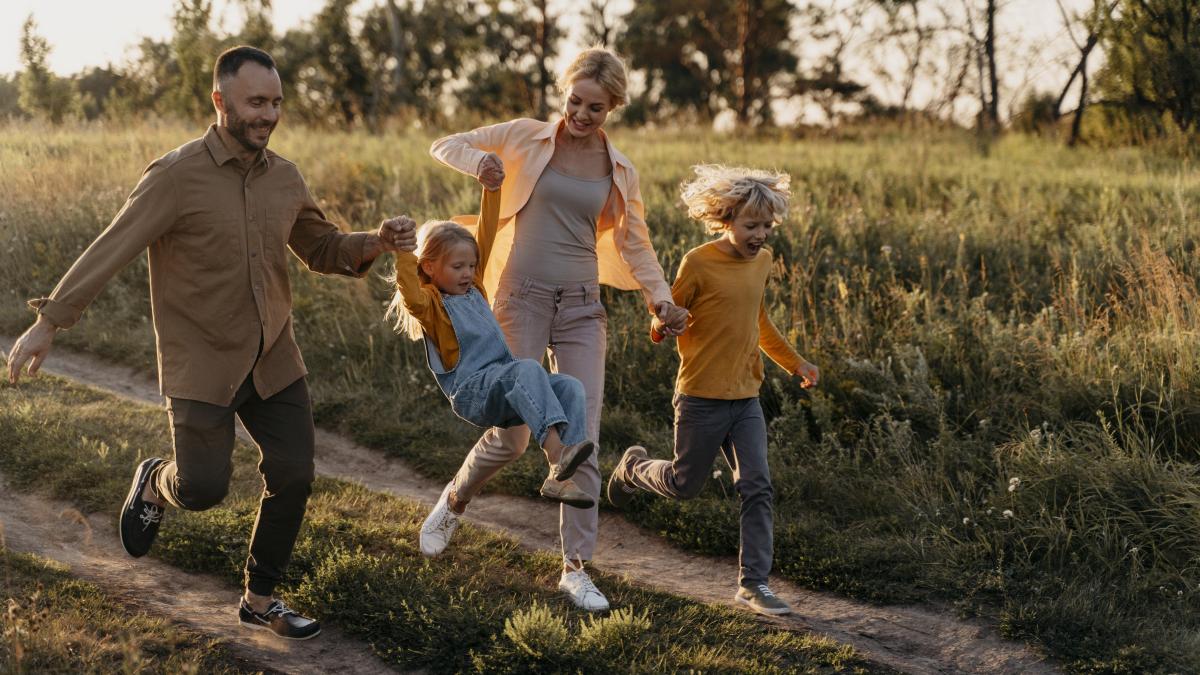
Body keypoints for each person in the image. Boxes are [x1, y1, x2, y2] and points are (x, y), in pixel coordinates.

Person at [4, 46, 416, 640]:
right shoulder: (175, 176)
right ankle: (156, 481)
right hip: (201, 360)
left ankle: (260, 599)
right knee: (202, 489)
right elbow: (112, 246)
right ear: (220, 100)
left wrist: (375, 241)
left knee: (295, 473)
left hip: (273, 356)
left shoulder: (285, 177)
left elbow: (322, 248)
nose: (268, 115)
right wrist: (50, 321)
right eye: (256, 102)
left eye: (276, 102)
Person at [426, 47, 689, 611]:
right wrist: (480, 164)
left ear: (612, 107)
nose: (581, 115)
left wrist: (661, 299)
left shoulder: (619, 169)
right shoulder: (526, 136)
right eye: (575, 101)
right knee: (514, 434)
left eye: (596, 107)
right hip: (519, 298)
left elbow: (635, 244)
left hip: (582, 307)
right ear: (564, 94)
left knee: (581, 432)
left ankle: (576, 569)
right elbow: (445, 144)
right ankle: (454, 501)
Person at [605, 164, 820, 617]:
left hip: (746, 397)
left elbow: (759, 322)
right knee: (684, 485)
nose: (761, 235)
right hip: (701, 397)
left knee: (757, 486)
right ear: (726, 219)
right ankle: (633, 468)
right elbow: (663, 317)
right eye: (751, 225)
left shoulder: (762, 262)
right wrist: (665, 324)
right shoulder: (698, 262)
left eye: (767, 226)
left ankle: (754, 584)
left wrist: (795, 362)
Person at [386, 190, 597, 558]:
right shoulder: (432, 305)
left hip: (502, 385)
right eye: (458, 267)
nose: (468, 273)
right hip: (473, 393)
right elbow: (409, 292)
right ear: (430, 268)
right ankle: (556, 454)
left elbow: (485, 232)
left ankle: (561, 477)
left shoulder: (475, 288)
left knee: (570, 387)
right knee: (526, 369)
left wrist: (492, 188)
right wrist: (404, 250)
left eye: (471, 265)